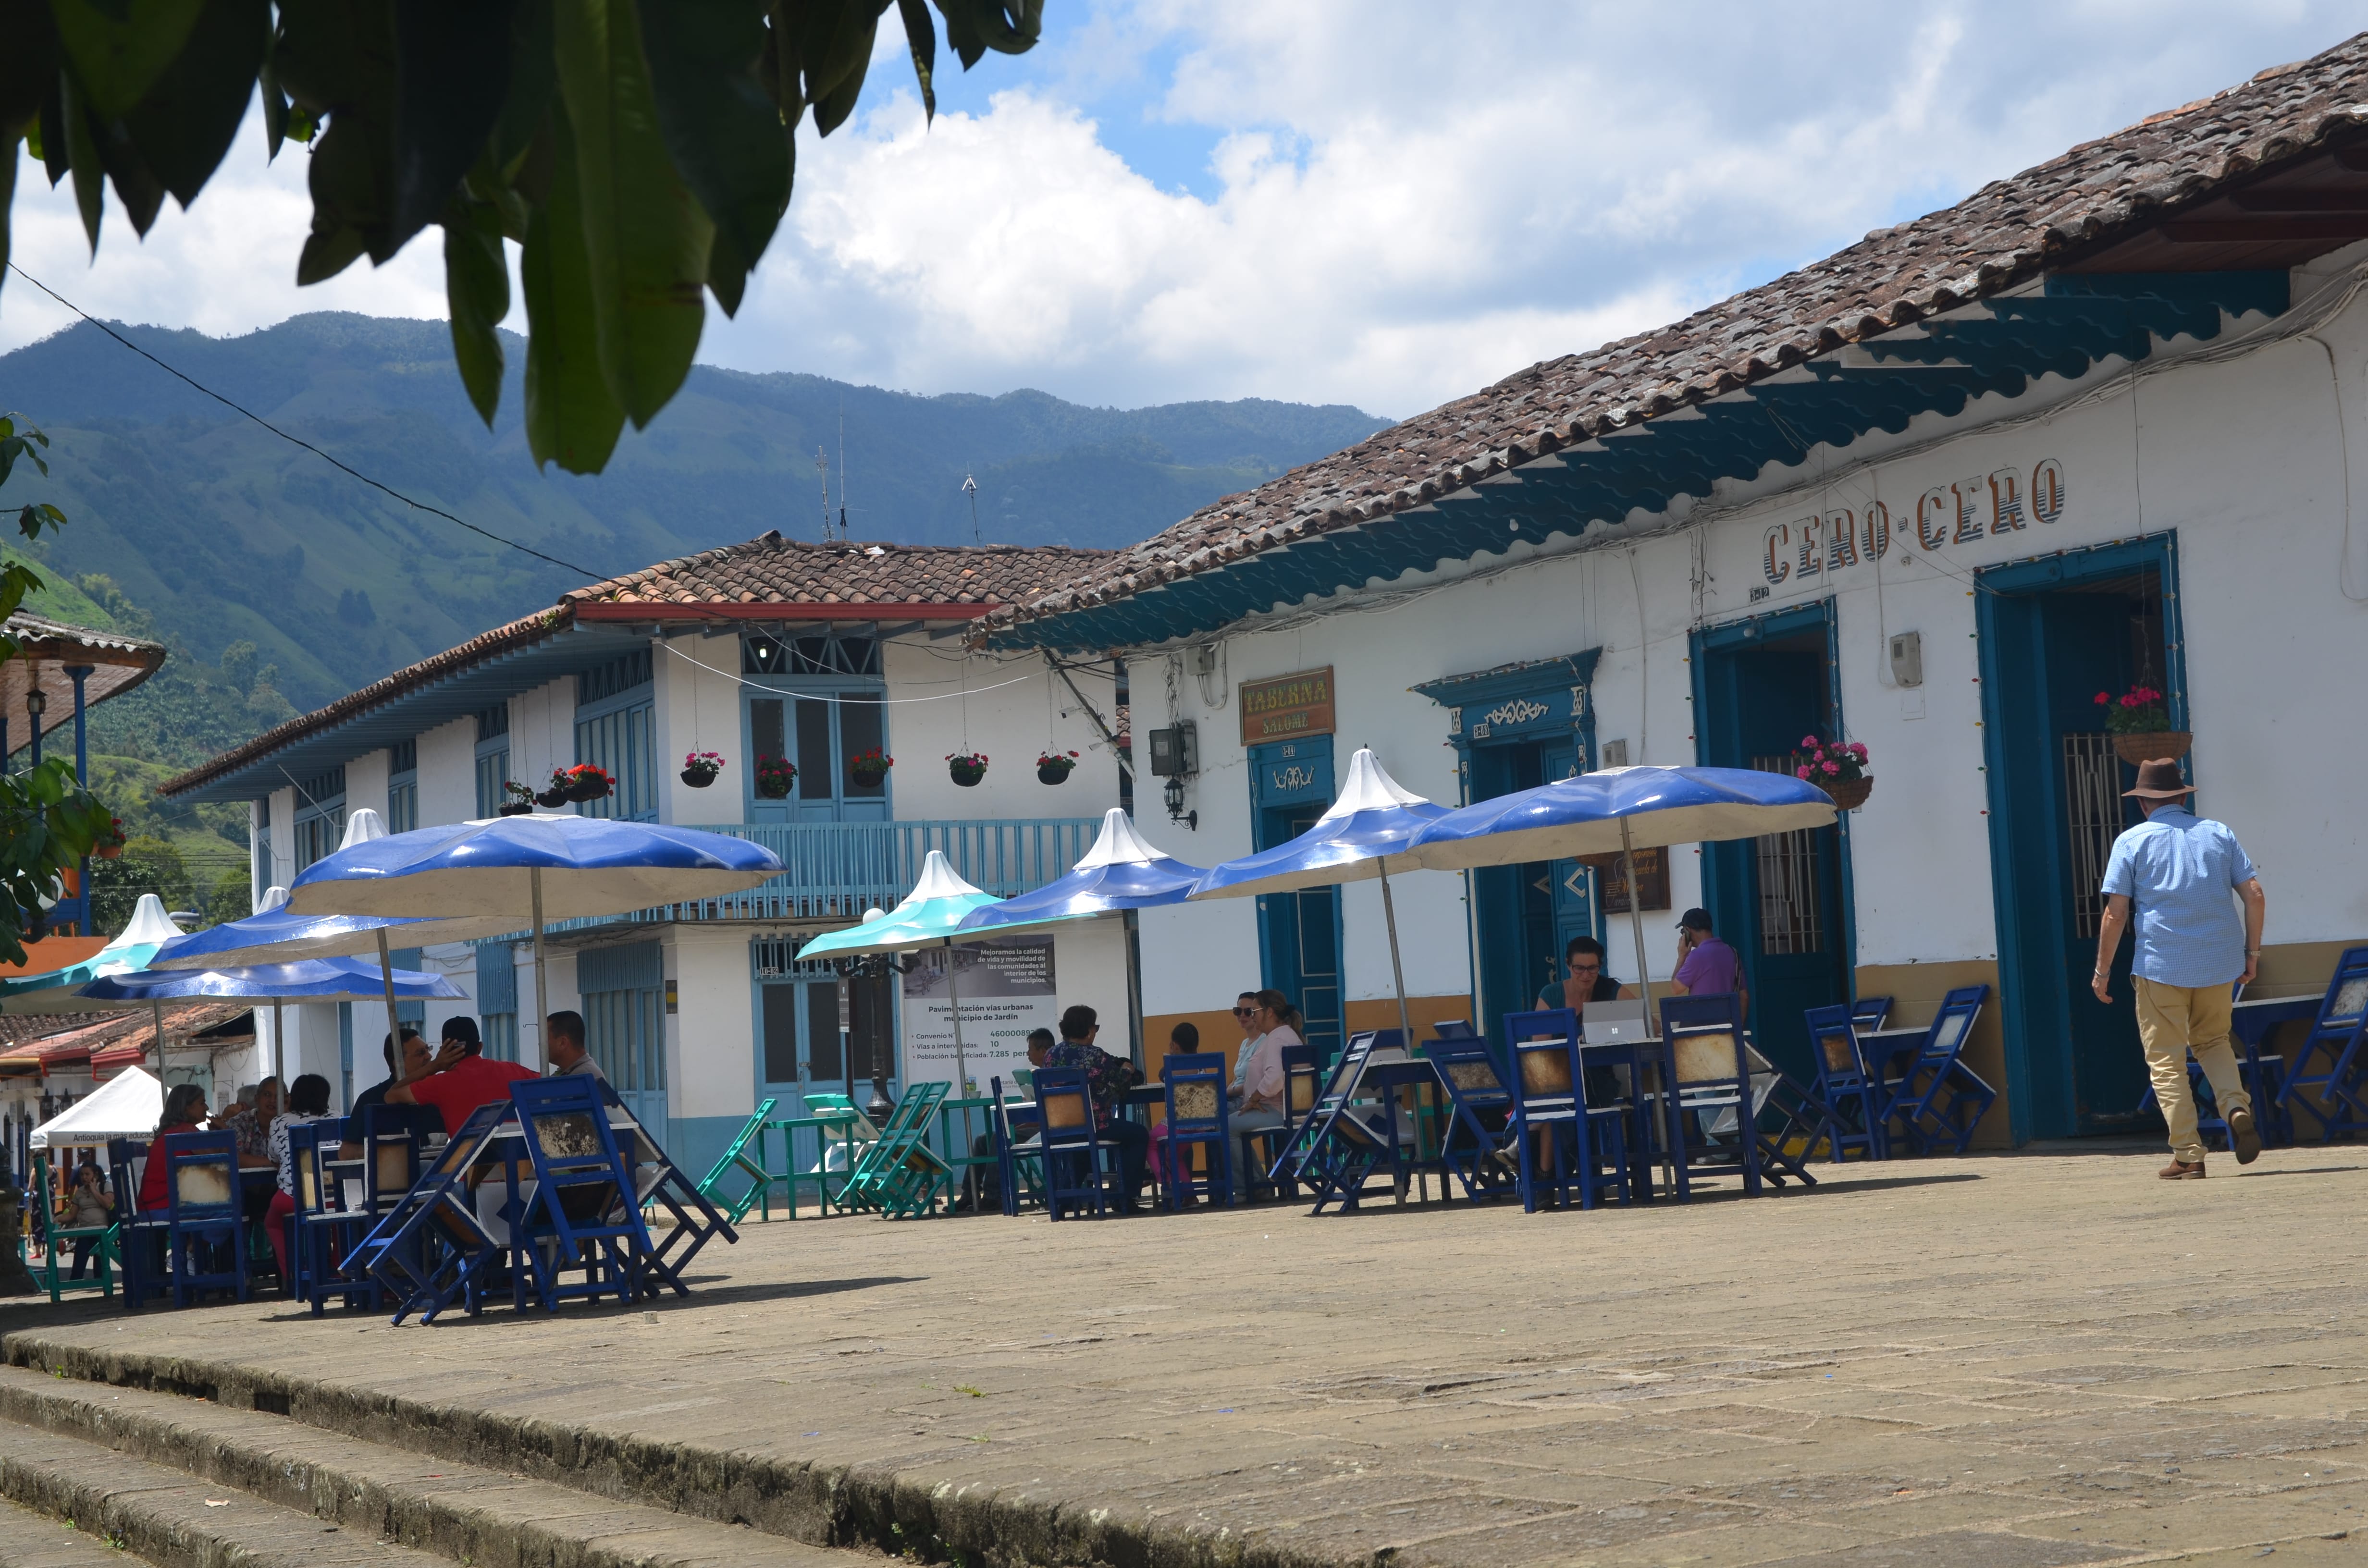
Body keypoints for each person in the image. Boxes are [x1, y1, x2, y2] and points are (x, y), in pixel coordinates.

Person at [2093, 757, 2267, 1179]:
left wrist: (2102, 971)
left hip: (2162, 966)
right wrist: (2252, 954)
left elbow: (2116, 914)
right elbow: (2255, 894)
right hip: (2219, 963)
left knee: (2166, 1062)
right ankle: (2236, 1107)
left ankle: (2189, 1155)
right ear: (2182, 798)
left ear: (2143, 803)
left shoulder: (2131, 841)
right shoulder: (2219, 833)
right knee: (2214, 1041)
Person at [1043, 1004, 1149, 1210]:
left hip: (1060, 1126)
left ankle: (1063, 1200)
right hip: (1094, 1125)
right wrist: (1127, 1071)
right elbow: (1121, 1085)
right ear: (1089, 1031)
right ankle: (1125, 1197)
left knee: (1082, 1152)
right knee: (1138, 1134)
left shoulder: (1050, 1055)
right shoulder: (1095, 1056)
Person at [385, 1015, 537, 1135]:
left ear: (444, 1050)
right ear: (480, 1047)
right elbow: (547, 1083)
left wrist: (434, 1066)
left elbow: (391, 1096)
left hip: (470, 1164)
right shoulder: (514, 1070)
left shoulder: (440, 1084)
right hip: (521, 1161)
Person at [263, 1073, 333, 1284]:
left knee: (273, 1223)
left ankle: (294, 1275)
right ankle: (340, 1268)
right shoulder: (337, 1117)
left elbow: (273, 1158)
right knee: (341, 1222)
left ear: (293, 1097)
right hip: (333, 1196)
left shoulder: (280, 1122)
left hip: (294, 1197)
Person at [1228, 991, 1298, 1177]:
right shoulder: (1283, 1035)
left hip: (1278, 1110)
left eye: (1254, 1011)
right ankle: (1256, 1182)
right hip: (1278, 1108)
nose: (1252, 1017)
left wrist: (1254, 1099)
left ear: (1270, 1013)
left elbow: (1274, 1080)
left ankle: (1250, 1186)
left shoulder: (1276, 1039)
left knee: (1226, 1128)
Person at [338, 1027, 430, 1162]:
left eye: (428, 1049)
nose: (429, 1056)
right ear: (398, 1062)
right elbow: (346, 1152)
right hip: (393, 1172)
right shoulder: (371, 1099)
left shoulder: (436, 1093)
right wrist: (389, 1152)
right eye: (421, 1053)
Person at [136, 1084, 210, 1213]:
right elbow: (217, 1161)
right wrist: (224, 1127)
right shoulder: (186, 1130)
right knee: (227, 1211)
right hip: (163, 1206)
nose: (206, 1108)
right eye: (202, 1103)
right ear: (186, 1107)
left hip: (152, 1206)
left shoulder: (174, 1130)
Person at [1668, 907, 1747, 1014]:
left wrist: (1682, 957)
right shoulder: (1733, 952)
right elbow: (1744, 996)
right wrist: (1738, 1023)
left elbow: (1675, 989)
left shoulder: (1696, 956)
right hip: (1728, 1020)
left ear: (1688, 930)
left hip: (1702, 1021)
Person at [1537, 935, 1638, 1011]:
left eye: (1592, 968)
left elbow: (1644, 1021)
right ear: (1568, 964)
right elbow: (1540, 1033)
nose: (1586, 975)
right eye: (1579, 968)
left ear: (1600, 965)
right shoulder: (1551, 995)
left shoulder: (1612, 990)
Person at [59, 1154, 111, 1280]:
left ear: (95, 1175)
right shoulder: (80, 1192)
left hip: (101, 1232)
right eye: (82, 1175)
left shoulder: (105, 1186)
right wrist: (57, 1219)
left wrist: (94, 1191)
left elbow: (108, 1204)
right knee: (78, 1268)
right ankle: (75, 1288)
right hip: (84, 1232)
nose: (84, 1178)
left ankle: (102, 1289)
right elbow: (72, 1214)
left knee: (100, 1269)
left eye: (88, 1174)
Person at [545, 1010, 603, 1078]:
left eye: (546, 1039)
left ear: (562, 1043)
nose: (541, 1045)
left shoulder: (583, 1076)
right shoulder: (569, 1072)